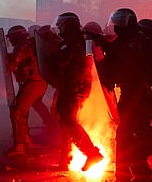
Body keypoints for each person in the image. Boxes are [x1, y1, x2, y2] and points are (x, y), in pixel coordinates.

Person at [89, 9, 152, 182]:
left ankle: (122, 179)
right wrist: (101, 42)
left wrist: (102, 48)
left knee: (124, 136)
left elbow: (119, 60)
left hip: (135, 95)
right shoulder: (134, 40)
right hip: (138, 93)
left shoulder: (134, 42)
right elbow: (118, 51)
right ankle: (142, 175)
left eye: (118, 23)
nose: (115, 27)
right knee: (135, 134)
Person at [38, 13, 104, 171]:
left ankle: (91, 153)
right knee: (67, 121)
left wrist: (51, 49)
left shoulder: (72, 42)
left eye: (62, 25)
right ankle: (66, 158)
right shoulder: (80, 40)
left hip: (74, 86)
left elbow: (62, 61)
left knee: (68, 120)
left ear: (68, 25)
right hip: (77, 84)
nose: (59, 28)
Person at [4, 25, 52, 156]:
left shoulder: (22, 46)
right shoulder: (28, 43)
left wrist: (7, 59)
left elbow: (12, 64)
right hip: (36, 81)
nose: (11, 42)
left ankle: (19, 145)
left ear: (16, 36)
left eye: (12, 38)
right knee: (24, 110)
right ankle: (25, 139)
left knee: (17, 112)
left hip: (33, 82)